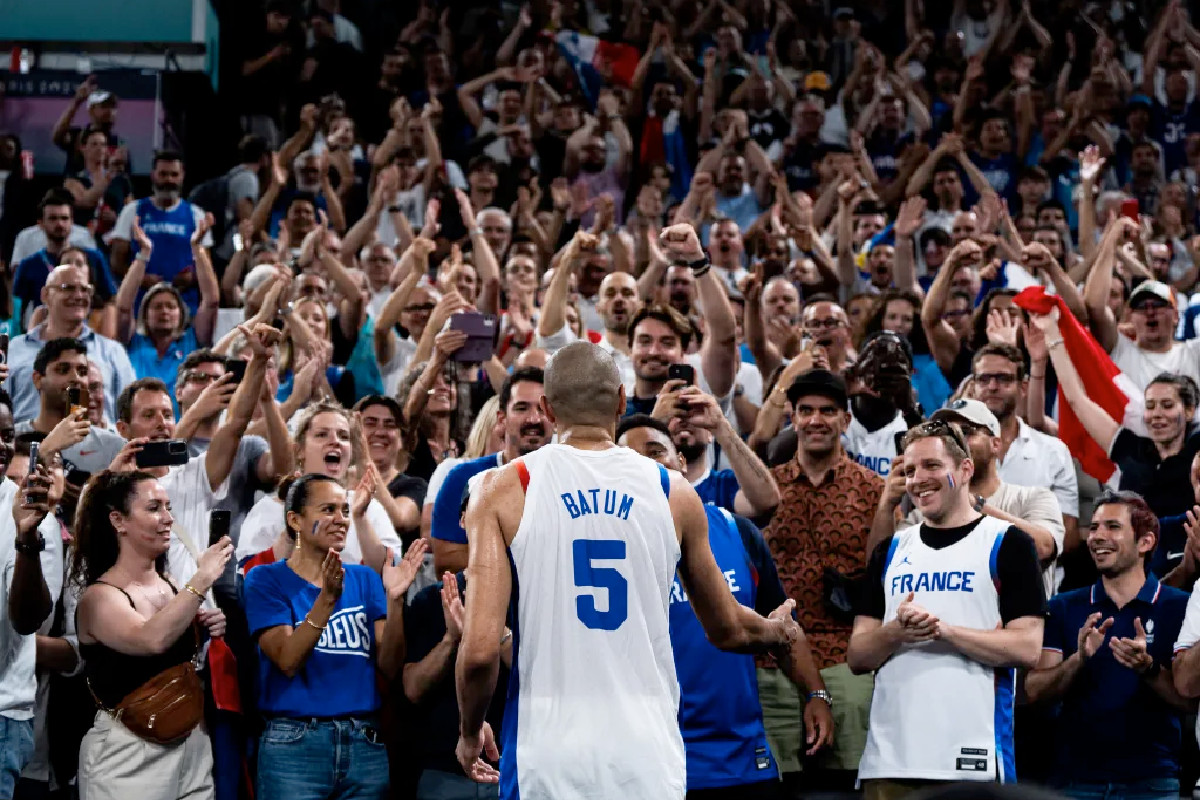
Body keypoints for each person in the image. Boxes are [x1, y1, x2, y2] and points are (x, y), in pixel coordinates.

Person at [454, 341, 800, 798]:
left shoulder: (501, 488)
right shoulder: (672, 490)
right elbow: (729, 629)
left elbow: (480, 652)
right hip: (646, 754)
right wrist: (778, 632)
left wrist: (468, 730)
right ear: (621, 400)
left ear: (547, 409)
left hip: (547, 752)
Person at [617, 413, 834, 798]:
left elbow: (782, 621)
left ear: (681, 463)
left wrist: (814, 693)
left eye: (656, 452)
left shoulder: (736, 530)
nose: (647, 465)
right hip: (648, 758)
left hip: (740, 757)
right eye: (630, 458)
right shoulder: (602, 548)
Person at [850, 420, 1046, 794]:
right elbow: (858, 656)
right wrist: (896, 632)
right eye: (909, 470)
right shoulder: (890, 550)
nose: (918, 479)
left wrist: (943, 630)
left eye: (931, 466)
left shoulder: (1008, 543)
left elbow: (1027, 647)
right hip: (889, 760)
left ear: (965, 469)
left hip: (973, 760)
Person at [242, 473, 427, 800]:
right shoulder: (265, 579)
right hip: (294, 747)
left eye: (344, 510)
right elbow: (287, 659)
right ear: (295, 520)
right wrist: (326, 599)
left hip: (364, 744)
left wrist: (395, 600)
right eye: (328, 509)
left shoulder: (364, 579)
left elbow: (390, 664)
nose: (340, 520)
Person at [71, 470, 233, 800]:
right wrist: (201, 581)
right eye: (154, 508)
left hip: (191, 743)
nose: (168, 518)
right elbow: (151, 640)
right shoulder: (99, 597)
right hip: (128, 754)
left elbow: (174, 646)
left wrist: (204, 625)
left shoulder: (174, 583)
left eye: (168, 507)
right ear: (118, 520)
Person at [760, 368, 883, 791]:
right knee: (777, 783)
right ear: (792, 418)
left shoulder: (875, 491)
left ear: (846, 420)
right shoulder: (764, 489)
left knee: (849, 783)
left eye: (828, 411)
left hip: (844, 656)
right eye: (806, 411)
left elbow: (884, 575)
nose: (816, 420)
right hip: (773, 659)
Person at [1027, 491, 1189, 800]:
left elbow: (1190, 701)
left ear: (1145, 542)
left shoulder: (1178, 608)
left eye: (1112, 527)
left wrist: (1148, 668)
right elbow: (1033, 692)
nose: (1097, 537)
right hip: (1074, 781)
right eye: (1095, 527)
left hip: (1153, 781)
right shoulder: (1063, 606)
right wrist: (1078, 660)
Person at [236, 401, 401, 572]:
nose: (335, 441)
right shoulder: (268, 510)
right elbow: (249, 578)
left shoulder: (368, 508)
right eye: (322, 434)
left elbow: (390, 575)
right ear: (300, 450)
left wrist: (360, 518)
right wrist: (295, 525)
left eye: (344, 436)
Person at [430, 367, 549, 574]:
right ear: (502, 419)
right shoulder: (464, 478)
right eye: (522, 408)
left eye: (542, 409)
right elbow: (446, 562)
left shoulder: (570, 476)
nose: (534, 419)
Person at [5, 264, 136, 425]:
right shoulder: (15, 349)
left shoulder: (112, 352)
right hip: (25, 445)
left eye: (85, 290)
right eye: (68, 288)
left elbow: (131, 412)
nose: (79, 295)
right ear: (45, 295)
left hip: (99, 446)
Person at [0, 461, 60, 797]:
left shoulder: (28, 515)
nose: (1, 445)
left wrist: (26, 538)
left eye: (6, 435)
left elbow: (28, 621)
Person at [14, 337, 127, 516]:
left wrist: (89, 497)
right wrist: (47, 448)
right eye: (63, 370)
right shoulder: (12, 439)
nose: (75, 378)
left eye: (82, 371)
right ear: (37, 379)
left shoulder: (113, 447)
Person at [116, 216, 220, 403]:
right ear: (145, 315)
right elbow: (123, 307)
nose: (164, 311)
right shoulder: (132, 342)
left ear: (181, 314)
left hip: (185, 429)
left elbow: (211, 300)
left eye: (171, 306)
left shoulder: (193, 341)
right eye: (156, 306)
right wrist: (143, 254)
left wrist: (197, 248)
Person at [109, 151, 215, 313]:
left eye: (174, 174)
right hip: (138, 306)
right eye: (163, 174)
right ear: (153, 175)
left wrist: (191, 277)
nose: (169, 180)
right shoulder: (133, 211)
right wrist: (141, 279)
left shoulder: (196, 215)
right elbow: (116, 262)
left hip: (184, 307)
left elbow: (207, 265)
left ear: (182, 176)